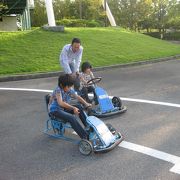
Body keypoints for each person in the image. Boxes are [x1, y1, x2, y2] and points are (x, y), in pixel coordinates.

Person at [49, 74, 91, 139]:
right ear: (61, 85)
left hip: (63, 109)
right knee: (71, 118)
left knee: (79, 107)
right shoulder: (58, 90)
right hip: (55, 111)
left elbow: (77, 96)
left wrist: (86, 104)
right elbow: (60, 103)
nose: (69, 89)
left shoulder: (69, 89)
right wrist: (73, 108)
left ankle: (88, 127)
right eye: (68, 87)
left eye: (70, 87)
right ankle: (85, 136)